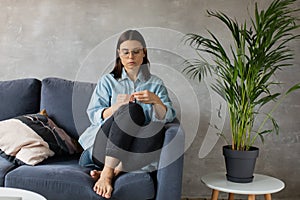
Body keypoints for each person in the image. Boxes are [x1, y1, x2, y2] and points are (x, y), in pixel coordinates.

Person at [78, 29, 176, 199]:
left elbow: (167, 117)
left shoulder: (156, 84)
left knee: (157, 127)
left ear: (143, 54)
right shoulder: (107, 81)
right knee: (132, 110)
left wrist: (156, 101)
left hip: (134, 150)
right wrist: (117, 108)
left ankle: (117, 169)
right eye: (126, 52)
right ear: (119, 55)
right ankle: (108, 173)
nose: (131, 57)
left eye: (136, 52)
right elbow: (94, 116)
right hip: (101, 149)